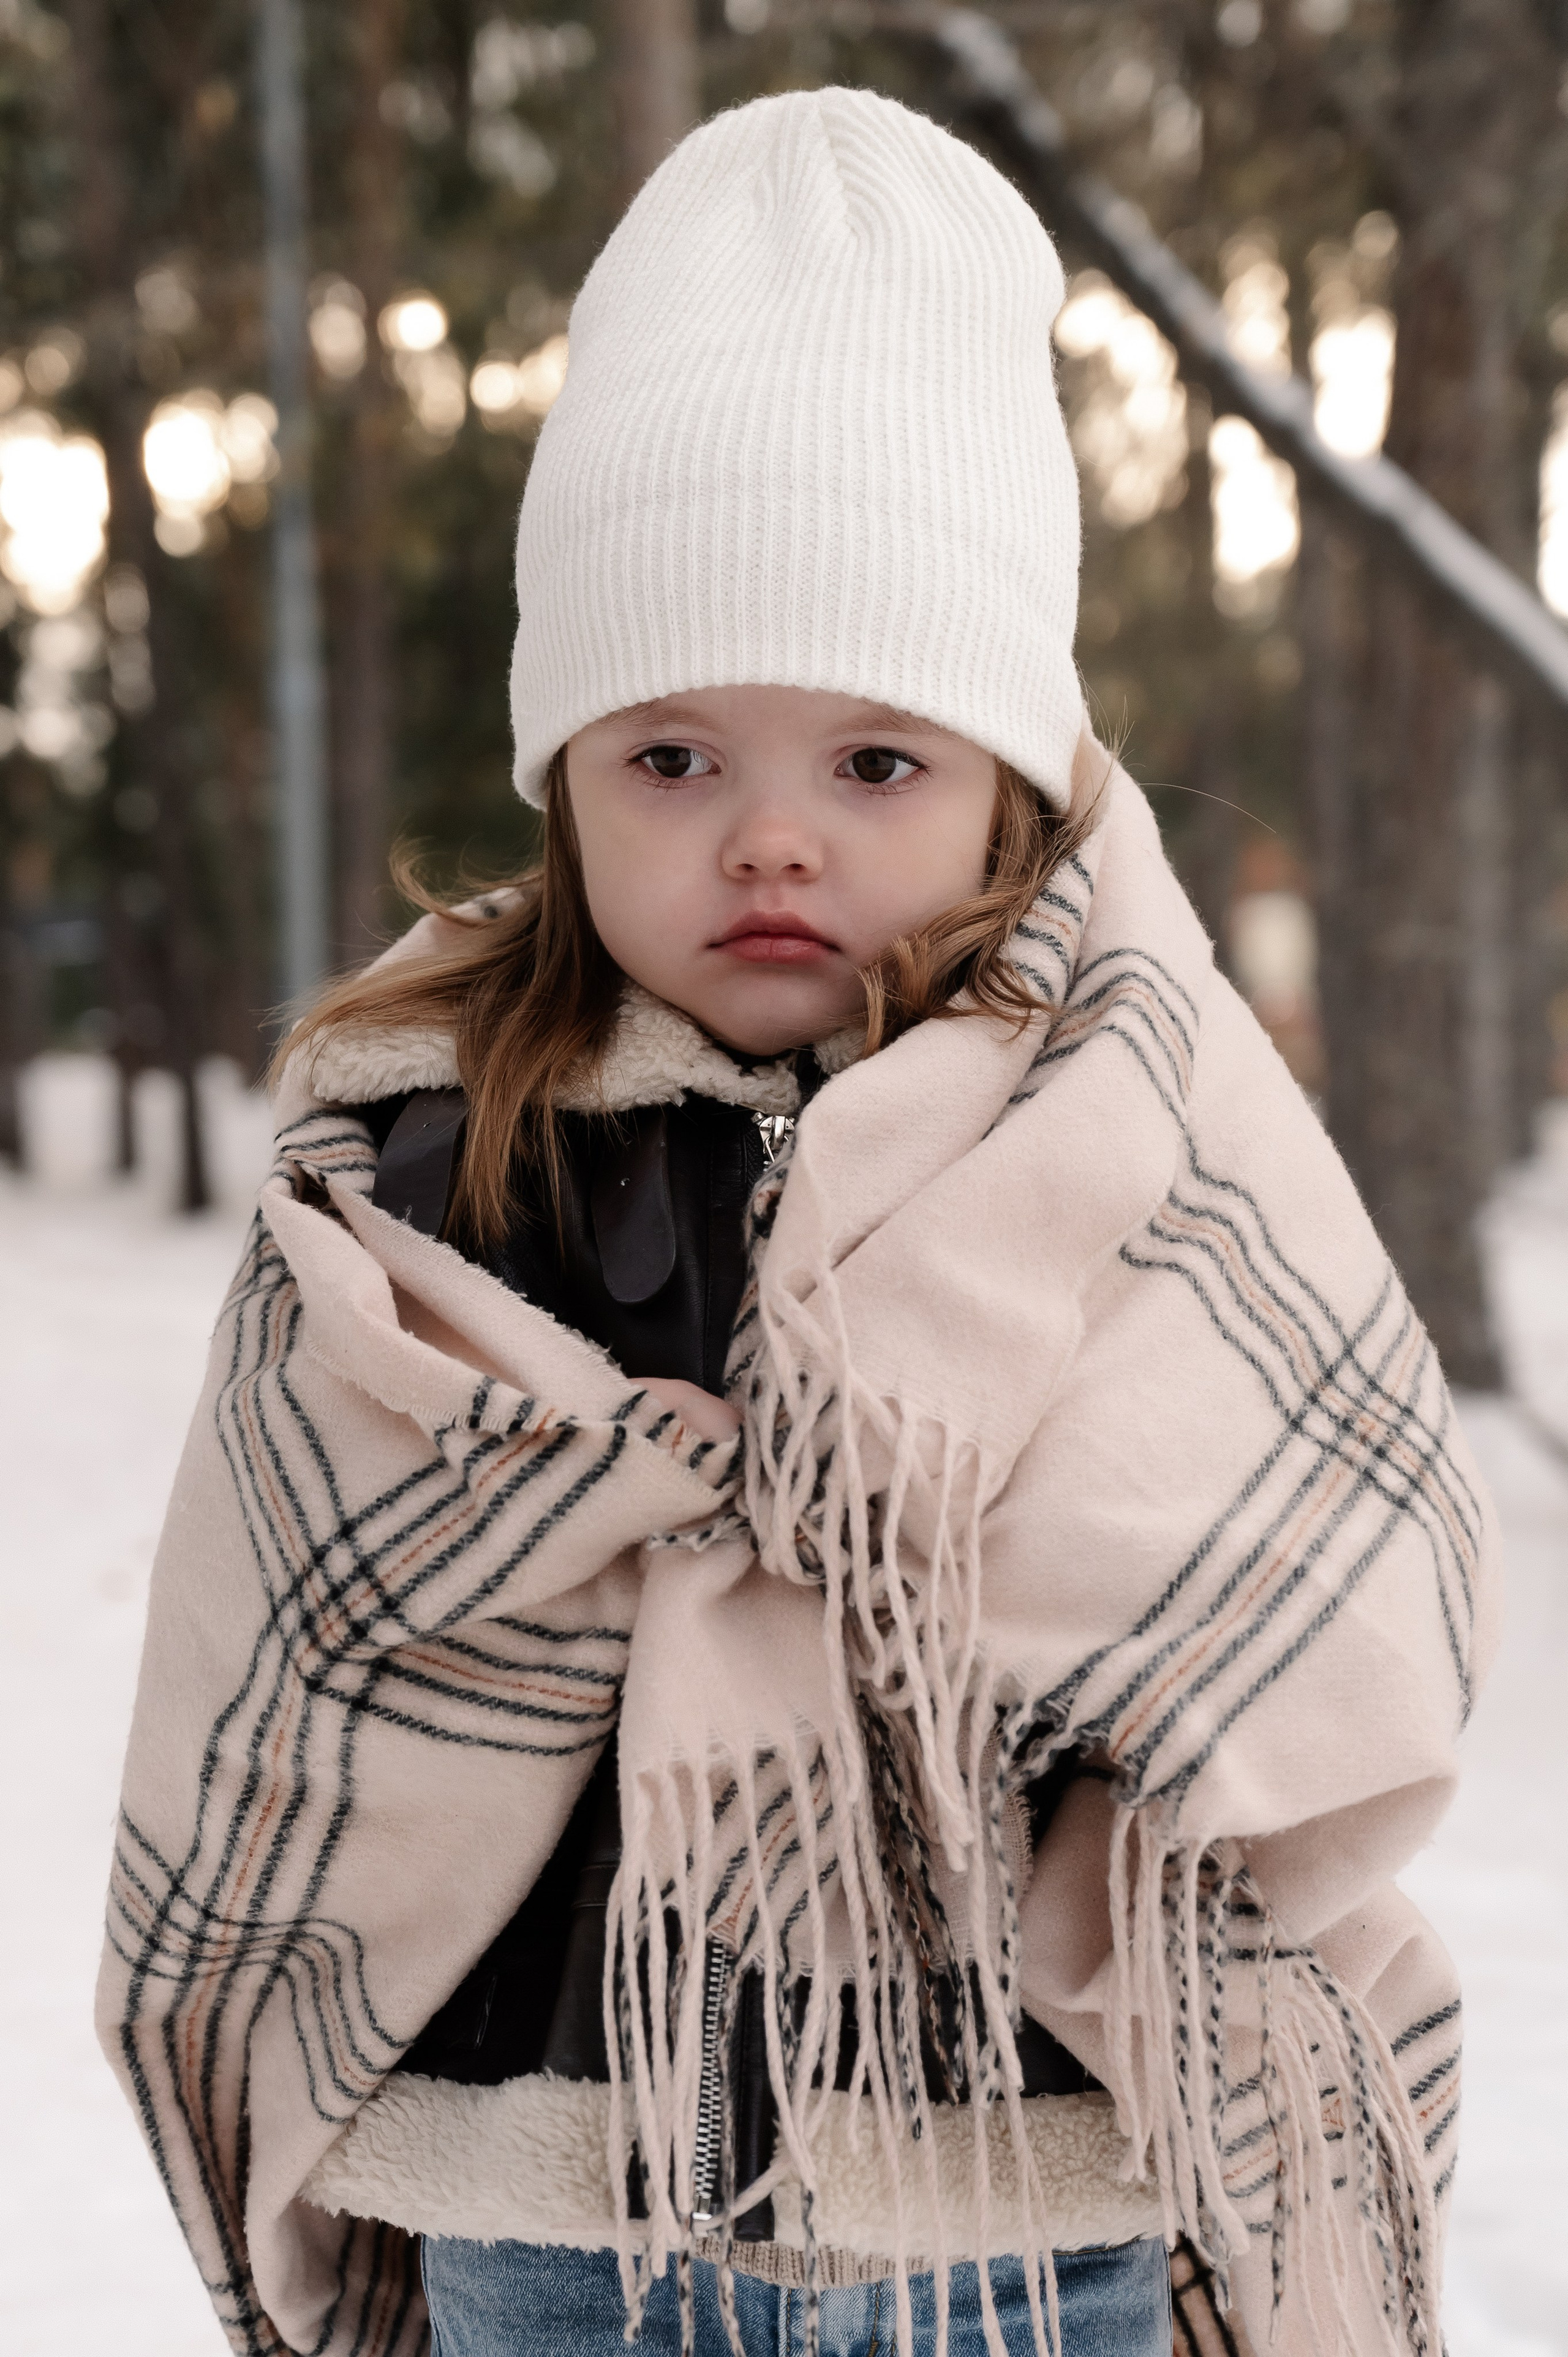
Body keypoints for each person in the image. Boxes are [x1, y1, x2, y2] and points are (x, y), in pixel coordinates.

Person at [99, 87, 1498, 2357]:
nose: (770, 839)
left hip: (1021, 2192)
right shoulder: (441, 1157)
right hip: (557, 2186)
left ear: (1008, 784)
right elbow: (289, 1660)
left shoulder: (1132, 1138)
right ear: (565, 780)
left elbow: (1319, 1563)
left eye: (872, 762)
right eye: (675, 757)